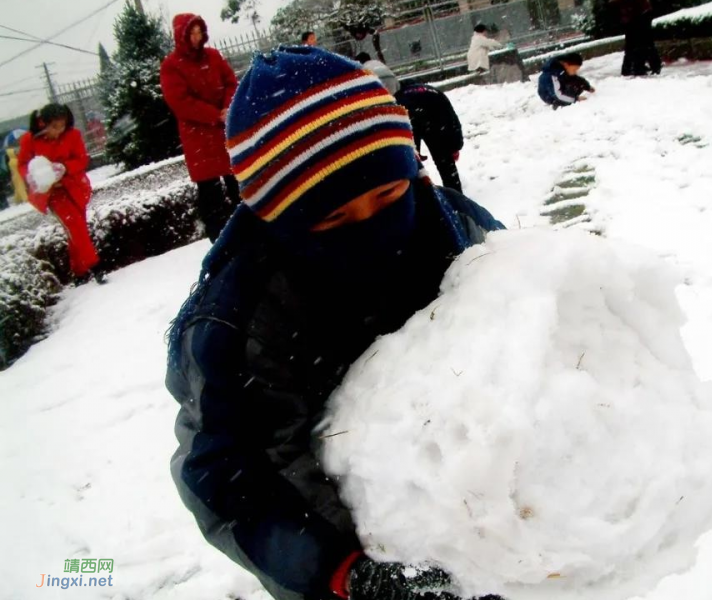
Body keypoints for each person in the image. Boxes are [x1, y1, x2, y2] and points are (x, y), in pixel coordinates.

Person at [165, 47, 505, 600]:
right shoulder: (241, 317)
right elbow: (228, 474)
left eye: (388, 194)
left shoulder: (455, 226)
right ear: (279, 219)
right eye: (334, 217)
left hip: (493, 520)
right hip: (352, 550)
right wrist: (343, 570)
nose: (374, 227)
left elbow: (534, 324)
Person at [161, 13, 240, 242]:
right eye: (192, 33)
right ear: (182, 36)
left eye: (199, 32)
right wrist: (215, 115)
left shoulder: (214, 56)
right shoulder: (172, 66)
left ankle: (249, 232)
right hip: (200, 138)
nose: (197, 37)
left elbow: (230, 82)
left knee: (239, 184)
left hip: (225, 130)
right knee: (210, 195)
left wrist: (227, 107)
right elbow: (180, 102)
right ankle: (219, 241)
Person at [17, 104, 105, 284]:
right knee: (75, 227)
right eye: (54, 127)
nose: (59, 131)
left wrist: (64, 168)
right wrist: (37, 175)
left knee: (76, 230)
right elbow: (23, 165)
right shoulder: (30, 140)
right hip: (52, 193)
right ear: (44, 124)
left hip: (75, 188)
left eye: (62, 126)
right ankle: (95, 266)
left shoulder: (73, 135)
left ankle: (79, 272)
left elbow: (81, 159)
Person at [394, 80, 465, 193]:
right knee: (445, 163)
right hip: (432, 114)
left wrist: (413, 151)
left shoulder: (396, 99)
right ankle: (456, 196)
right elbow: (452, 121)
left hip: (415, 117)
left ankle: (416, 196)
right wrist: (455, 146)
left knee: (411, 164)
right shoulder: (432, 91)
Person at [610, 0, 662, 76]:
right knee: (642, 43)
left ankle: (638, 67)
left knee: (639, 43)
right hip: (636, 15)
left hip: (637, 15)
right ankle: (642, 67)